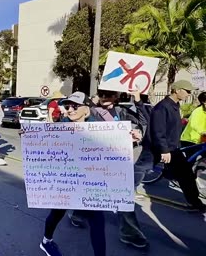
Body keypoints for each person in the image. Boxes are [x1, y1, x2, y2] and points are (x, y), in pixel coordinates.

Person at [25, 92, 106, 256]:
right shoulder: (61, 127)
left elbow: (115, 143)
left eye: (74, 106)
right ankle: (46, 241)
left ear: (86, 108)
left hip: (90, 183)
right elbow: (45, 147)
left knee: (97, 221)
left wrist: (130, 137)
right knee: (57, 213)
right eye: (67, 106)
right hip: (66, 182)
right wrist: (29, 136)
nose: (70, 109)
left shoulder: (100, 127)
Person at [72, 88, 149, 248]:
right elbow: (72, 124)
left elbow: (143, 121)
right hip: (93, 160)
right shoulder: (91, 111)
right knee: (90, 191)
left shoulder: (123, 111)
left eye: (108, 95)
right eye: (101, 95)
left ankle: (130, 233)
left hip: (116, 162)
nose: (104, 97)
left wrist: (137, 129)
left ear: (116, 96)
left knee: (122, 197)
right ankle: (77, 213)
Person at [149, 80, 205, 212]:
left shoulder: (175, 105)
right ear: (177, 90)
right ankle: (195, 203)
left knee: (186, 174)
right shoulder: (162, 107)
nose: (189, 94)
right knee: (186, 175)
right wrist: (164, 150)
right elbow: (158, 131)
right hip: (168, 149)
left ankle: (195, 202)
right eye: (187, 91)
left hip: (175, 147)